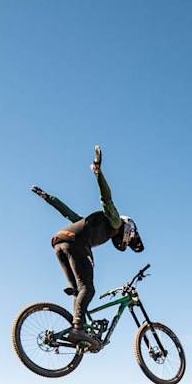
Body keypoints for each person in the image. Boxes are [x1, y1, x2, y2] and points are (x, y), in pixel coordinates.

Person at [32, 146, 144, 344]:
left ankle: (78, 328)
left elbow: (68, 213)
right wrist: (98, 172)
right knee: (88, 289)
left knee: (78, 290)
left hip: (59, 242)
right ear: (128, 229)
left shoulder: (94, 227)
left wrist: (48, 198)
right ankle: (78, 329)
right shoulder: (116, 222)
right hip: (75, 243)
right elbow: (106, 199)